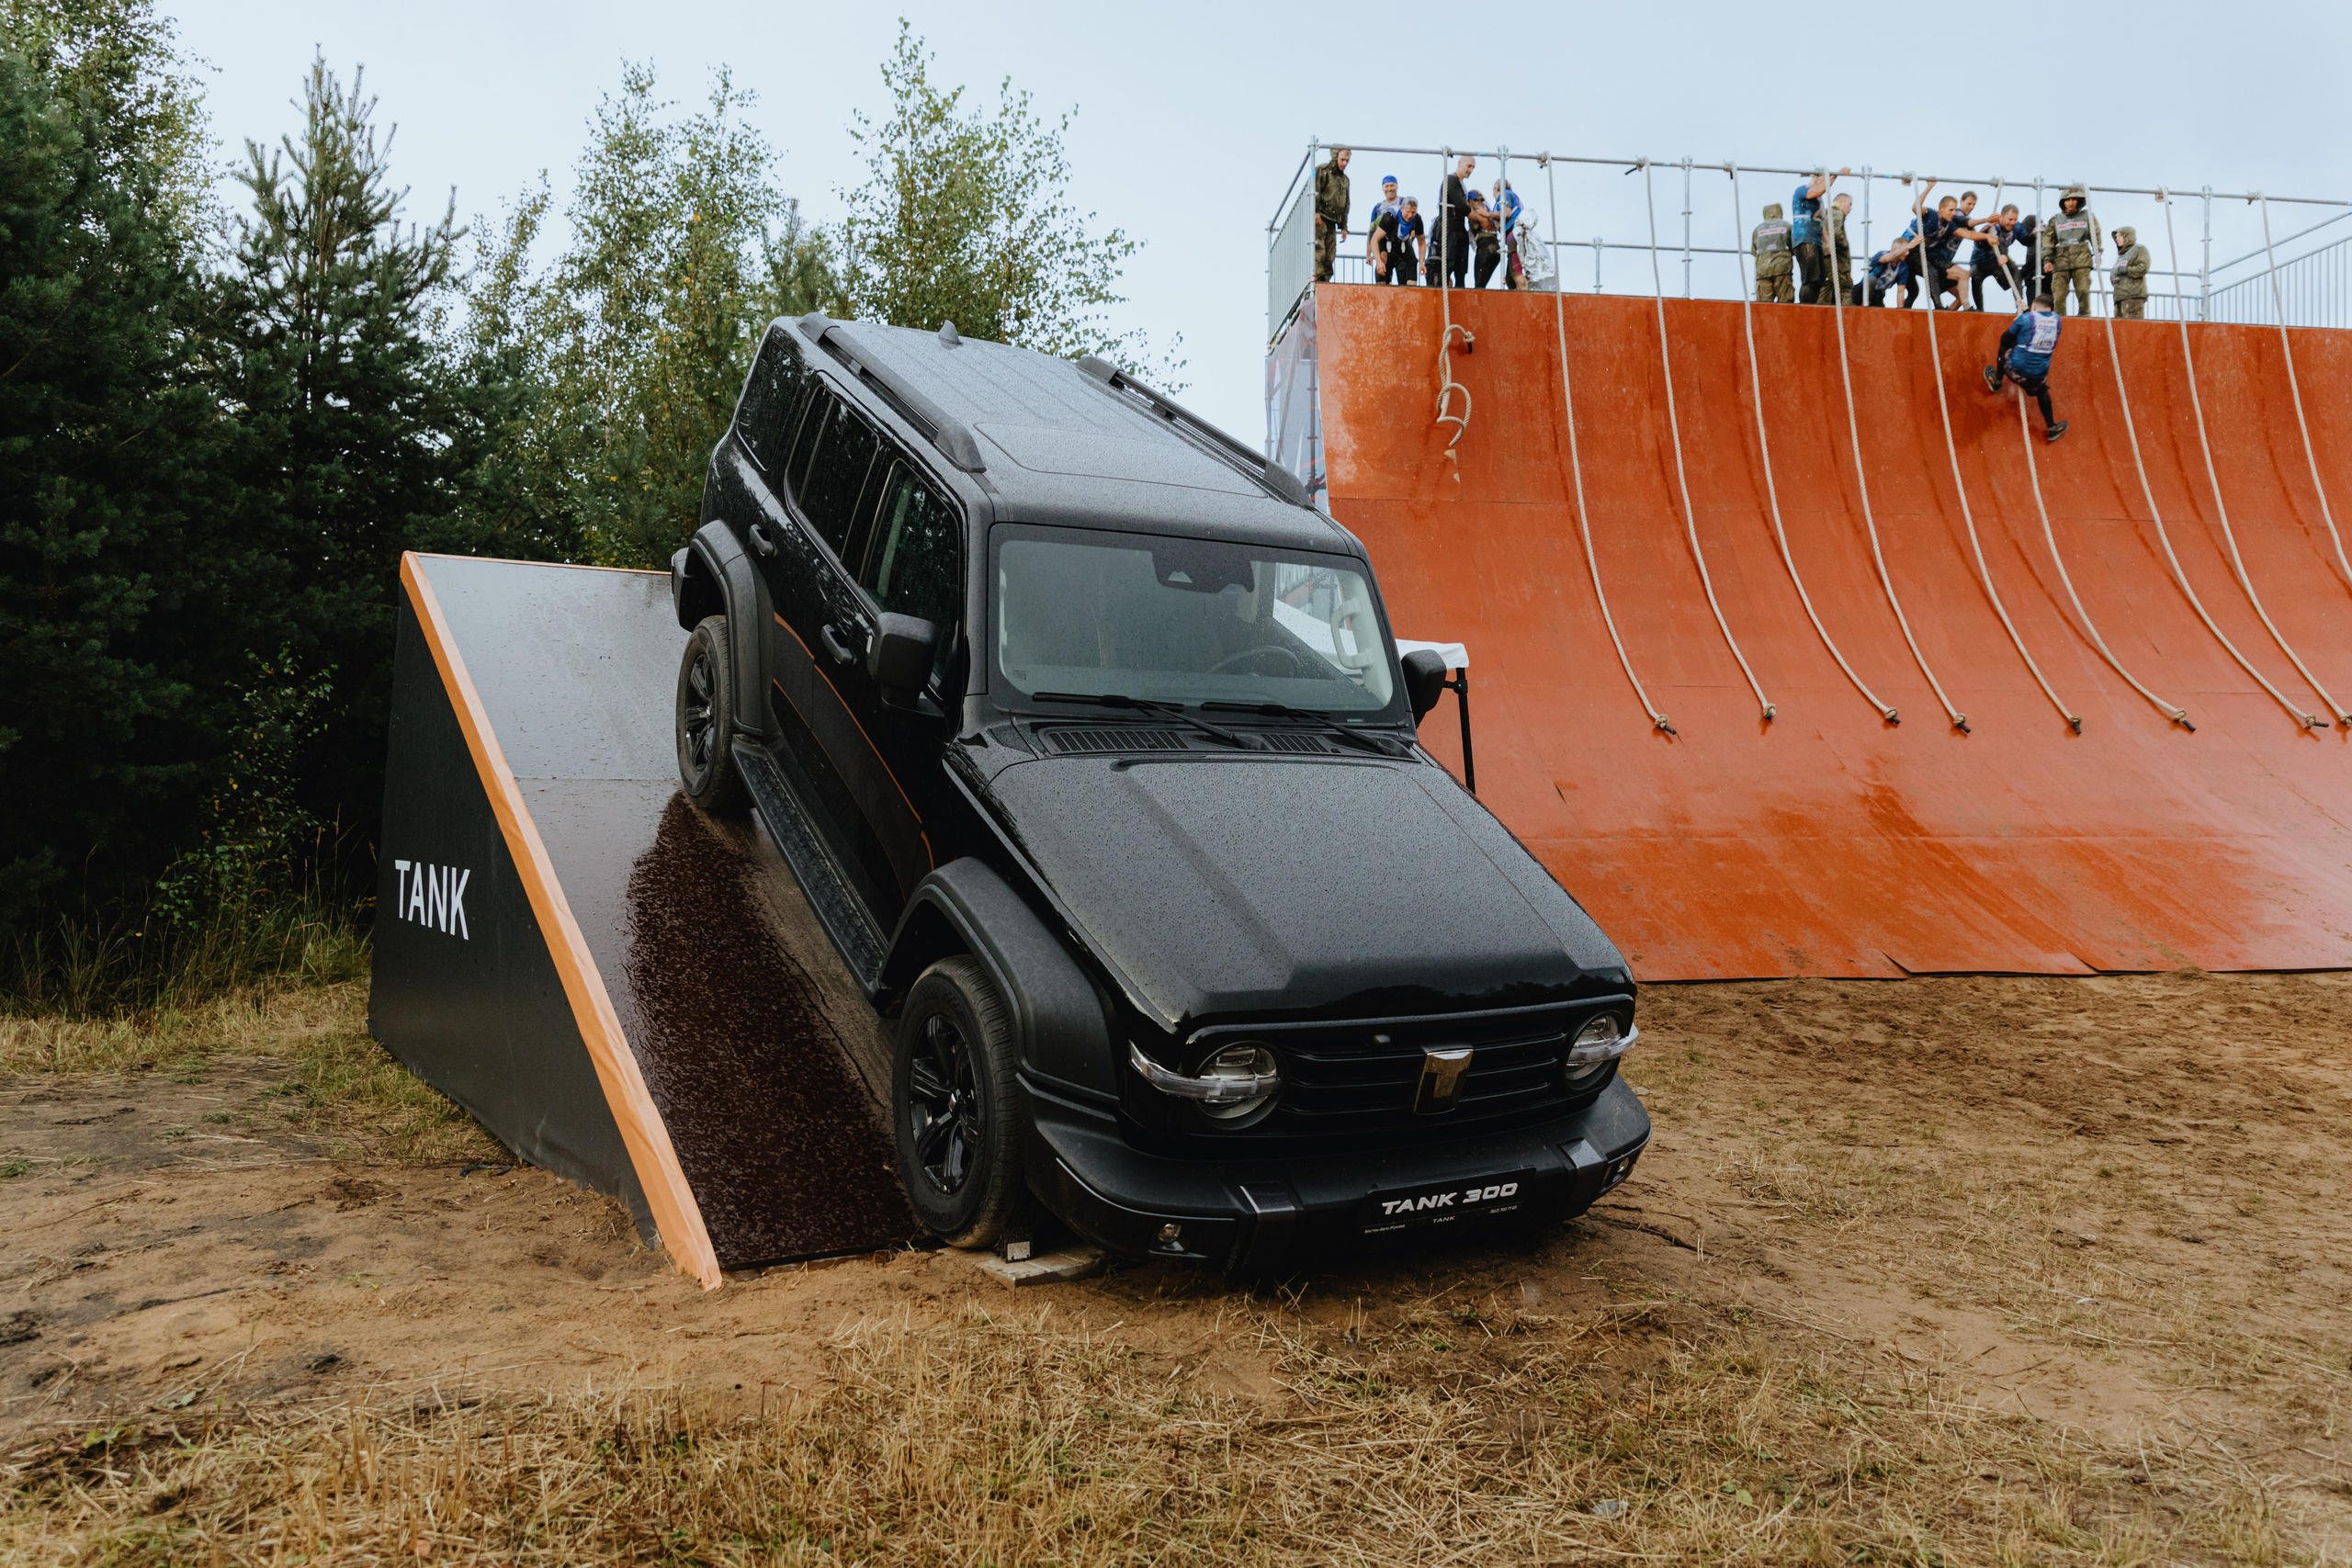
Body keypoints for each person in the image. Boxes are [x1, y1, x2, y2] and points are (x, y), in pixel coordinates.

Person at [1984, 288, 2068, 444]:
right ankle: (2051, 427)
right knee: (2043, 390)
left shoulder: (2026, 319)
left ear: (2034, 307)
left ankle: (1996, 380)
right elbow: (2040, 325)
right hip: (2038, 377)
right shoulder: (2057, 320)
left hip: (2017, 371)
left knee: (2005, 348)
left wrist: (2022, 318)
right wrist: (2028, 312)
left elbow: (2006, 338)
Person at [1791, 166, 1849, 305]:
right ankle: (1805, 307)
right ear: (1817, 178)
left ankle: (1811, 304)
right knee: (1810, 278)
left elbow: (1820, 222)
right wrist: (1835, 175)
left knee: (1820, 277)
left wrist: (1828, 242)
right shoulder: (1803, 190)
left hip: (1815, 240)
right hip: (1804, 238)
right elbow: (1819, 189)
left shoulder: (1818, 201)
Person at [1911, 181, 1971, 310]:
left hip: (1927, 255)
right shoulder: (1932, 214)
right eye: (1951, 210)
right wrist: (1929, 187)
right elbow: (1915, 207)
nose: (1954, 213)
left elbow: (1968, 230)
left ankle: (1950, 311)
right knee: (1927, 274)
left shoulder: (1949, 223)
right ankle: (1938, 306)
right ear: (1941, 208)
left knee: (1955, 283)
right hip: (1910, 251)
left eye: (1955, 210)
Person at [1969, 206, 2038, 312]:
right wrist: (2003, 253)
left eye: (2015, 219)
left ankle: (2020, 305)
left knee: (2015, 273)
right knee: (1976, 278)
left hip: (1999, 260)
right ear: (2001, 218)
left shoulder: (2016, 228)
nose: (2012, 223)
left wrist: (2033, 235)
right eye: (2010, 219)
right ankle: (1980, 309)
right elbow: (1982, 241)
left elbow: (2026, 242)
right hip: (1981, 261)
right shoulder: (1993, 228)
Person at [2043, 185, 2099, 316]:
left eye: (2074, 199)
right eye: (2068, 200)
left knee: (2083, 290)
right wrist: (2048, 259)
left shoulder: (2088, 216)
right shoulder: (2056, 219)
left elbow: (2095, 234)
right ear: (2063, 202)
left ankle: (2085, 316)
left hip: (2082, 257)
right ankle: (2060, 319)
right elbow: (2048, 240)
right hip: (2061, 258)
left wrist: (2098, 252)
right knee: (2059, 294)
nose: (2071, 203)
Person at [1433, 153, 1475, 288]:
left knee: (1461, 268)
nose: (1470, 170)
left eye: (1473, 167)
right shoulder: (1451, 180)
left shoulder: (1461, 185)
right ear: (1460, 163)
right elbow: (1461, 206)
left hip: (1459, 229)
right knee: (1448, 263)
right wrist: (1481, 218)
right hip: (1449, 228)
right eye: (1469, 166)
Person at [1313, 147, 1351, 284]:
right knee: (1319, 248)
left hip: (1333, 220)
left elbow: (1345, 202)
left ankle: (1326, 281)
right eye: (1342, 159)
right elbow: (1315, 191)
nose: (1345, 163)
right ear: (1335, 157)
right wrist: (1315, 211)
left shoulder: (1345, 180)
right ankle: (1318, 278)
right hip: (1321, 217)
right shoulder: (1322, 171)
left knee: (1330, 254)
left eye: (1347, 160)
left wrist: (1344, 226)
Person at [1752, 201, 1795, 303]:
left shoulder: (1757, 230)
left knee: (1764, 306)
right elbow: (1794, 247)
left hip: (1763, 270)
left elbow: (1754, 251)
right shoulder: (1787, 226)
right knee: (1786, 302)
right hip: (1782, 269)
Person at [1376, 195, 1423, 286]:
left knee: (1412, 261)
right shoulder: (1390, 217)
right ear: (1402, 209)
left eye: (1413, 212)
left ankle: (1411, 292)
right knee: (1383, 258)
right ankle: (1381, 286)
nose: (1410, 216)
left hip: (1401, 240)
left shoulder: (1417, 219)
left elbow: (1422, 242)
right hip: (1384, 238)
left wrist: (1421, 262)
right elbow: (1374, 239)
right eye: (1408, 212)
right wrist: (1378, 262)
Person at [1363, 175, 1401, 278]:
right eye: (1387, 186)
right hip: (1383, 248)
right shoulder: (1377, 208)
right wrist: (1368, 254)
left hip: (1399, 246)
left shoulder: (1403, 202)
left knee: (1403, 280)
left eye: (1392, 186)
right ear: (1383, 188)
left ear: (1397, 187)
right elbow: (1371, 231)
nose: (1389, 189)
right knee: (1382, 278)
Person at [2110, 225, 2152, 319]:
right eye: (2116, 237)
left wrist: (2126, 270)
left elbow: (2143, 267)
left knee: (2134, 328)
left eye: (2120, 236)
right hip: (2119, 297)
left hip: (2133, 295)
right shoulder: (2121, 256)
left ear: (2128, 236)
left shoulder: (2139, 249)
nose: (2117, 239)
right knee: (2119, 330)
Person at [1467, 191, 1504, 288]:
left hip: (1485, 244)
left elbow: (1475, 227)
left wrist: (1470, 215)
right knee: (1483, 283)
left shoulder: (1477, 208)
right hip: (1495, 245)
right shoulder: (1487, 207)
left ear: (1470, 200)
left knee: (1479, 284)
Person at [1826, 192, 1855, 306]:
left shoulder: (1826, 214)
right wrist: (1844, 245)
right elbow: (1836, 233)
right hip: (1838, 257)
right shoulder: (1836, 213)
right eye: (1850, 204)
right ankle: (1848, 316)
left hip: (1828, 256)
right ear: (1841, 202)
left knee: (1827, 288)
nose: (1850, 208)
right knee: (1846, 288)